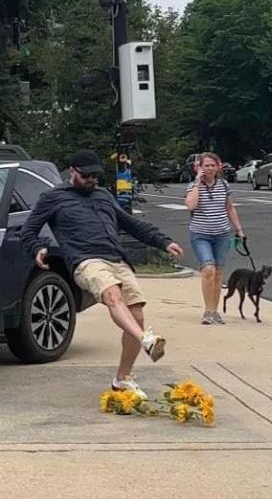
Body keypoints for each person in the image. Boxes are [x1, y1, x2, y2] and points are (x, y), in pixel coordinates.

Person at [22, 149, 184, 399]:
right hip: (85, 260)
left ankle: (123, 378)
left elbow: (130, 224)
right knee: (112, 295)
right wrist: (38, 248)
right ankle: (146, 340)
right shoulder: (53, 198)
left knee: (137, 314)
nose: (92, 181)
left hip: (116, 258)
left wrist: (162, 242)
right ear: (72, 171)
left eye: (95, 177)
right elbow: (28, 231)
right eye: (86, 176)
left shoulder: (103, 196)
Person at [183, 152, 245, 324]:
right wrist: (197, 182)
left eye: (212, 165)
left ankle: (214, 310)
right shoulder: (192, 186)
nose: (209, 169)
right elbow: (190, 205)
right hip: (200, 234)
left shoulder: (224, 185)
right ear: (200, 167)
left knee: (217, 273)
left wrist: (239, 229)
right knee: (208, 269)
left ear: (219, 166)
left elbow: (230, 208)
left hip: (222, 234)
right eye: (206, 165)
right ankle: (207, 311)